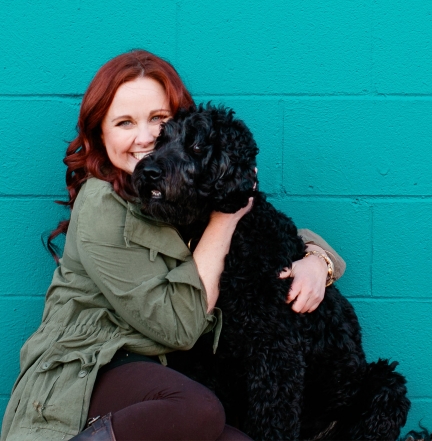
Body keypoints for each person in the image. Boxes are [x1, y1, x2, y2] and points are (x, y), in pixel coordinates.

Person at [1, 50, 346, 441]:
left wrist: (318, 260)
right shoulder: (102, 203)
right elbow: (180, 329)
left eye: (159, 121)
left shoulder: (176, 191)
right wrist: (225, 219)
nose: (146, 138)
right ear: (101, 134)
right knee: (198, 409)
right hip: (90, 367)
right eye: (125, 122)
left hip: (158, 374)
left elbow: (265, 233)